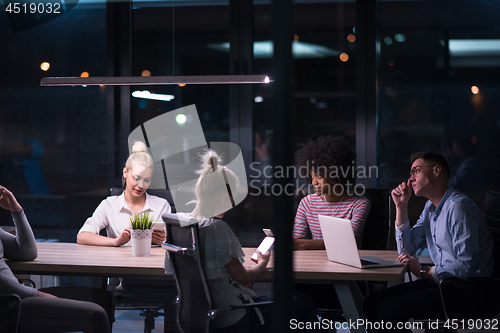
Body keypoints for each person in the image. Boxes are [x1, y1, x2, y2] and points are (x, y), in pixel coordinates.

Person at [166, 150, 318, 333]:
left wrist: (230, 273)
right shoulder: (216, 228)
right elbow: (245, 278)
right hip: (234, 314)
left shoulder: (183, 224)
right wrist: (262, 263)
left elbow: (202, 270)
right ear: (224, 196)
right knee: (305, 301)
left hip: (202, 315)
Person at [363, 151, 494, 332]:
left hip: (469, 289)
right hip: (444, 283)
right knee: (371, 303)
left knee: (388, 311)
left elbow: (466, 268)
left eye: (415, 171)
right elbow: (406, 251)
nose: (410, 180)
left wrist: (423, 271)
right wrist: (401, 206)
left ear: (436, 170)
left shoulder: (459, 207)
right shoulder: (430, 208)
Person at [0, 185, 110, 333]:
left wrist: (16, 210)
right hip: (9, 307)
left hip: (16, 297)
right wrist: (37, 294)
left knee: (103, 299)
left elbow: (27, 252)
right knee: (96, 314)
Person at [77, 141, 171, 247]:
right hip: (118, 262)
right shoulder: (109, 205)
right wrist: (116, 241)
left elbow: (174, 242)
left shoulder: (162, 205)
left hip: (150, 262)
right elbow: (82, 236)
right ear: (125, 172)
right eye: (136, 178)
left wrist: (165, 241)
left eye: (147, 180)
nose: (141, 185)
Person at [292, 136, 371, 250]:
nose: (314, 182)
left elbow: (347, 240)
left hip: (349, 265)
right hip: (317, 264)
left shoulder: (359, 204)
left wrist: (300, 243)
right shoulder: (306, 203)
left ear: (335, 174)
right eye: (311, 176)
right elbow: (296, 240)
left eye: (319, 176)